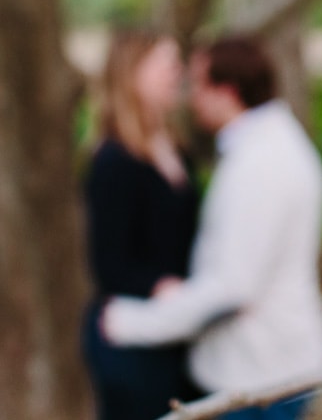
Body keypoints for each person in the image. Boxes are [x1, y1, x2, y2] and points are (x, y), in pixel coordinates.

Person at [103, 35, 322, 420]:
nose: (189, 95)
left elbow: (232, 287)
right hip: (270, 366)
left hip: (260, 378)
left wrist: (133, 324)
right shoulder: (266, 145)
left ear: (225, 92)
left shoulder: (261, 165)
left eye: (197, 84)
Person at [82, 31, 201, 420]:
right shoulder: (114, 159)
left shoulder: (178, 147)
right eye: (167, 64)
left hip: (178, 331)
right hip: (130, 340)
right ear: (132, 73)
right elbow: (108, 264)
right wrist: (161, 285)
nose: (177, 73)